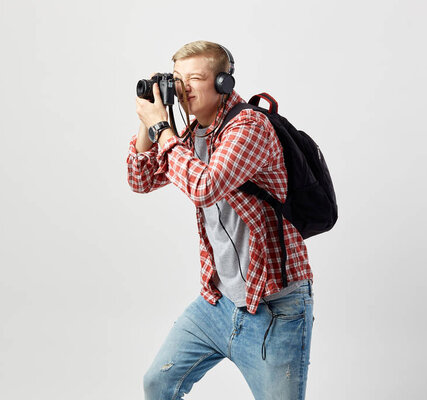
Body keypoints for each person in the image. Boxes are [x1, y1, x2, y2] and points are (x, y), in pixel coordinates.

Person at [127, 40, 314, 399]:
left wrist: (162, 130)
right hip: (219, 302)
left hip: (275, 309)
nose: (184, 89)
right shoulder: (193, 130)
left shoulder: (249, 127)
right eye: (179, 79)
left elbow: (204, 186)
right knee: (158, 382)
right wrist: (148, 120)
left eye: (195, 78)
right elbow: (141, 180)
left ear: (224, 84)